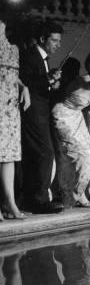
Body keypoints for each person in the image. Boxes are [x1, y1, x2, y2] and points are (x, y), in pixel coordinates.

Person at [51, 50, 90, 207]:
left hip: (77, 119)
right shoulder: (81, 80)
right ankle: (72, 193)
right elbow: (84, 86)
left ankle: (80, 193)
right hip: (63, 116)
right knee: (79, 155)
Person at [19, 20, 64, 214]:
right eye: (54, 40)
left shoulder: (42, 58)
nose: (58, 45)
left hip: (41, 112)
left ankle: (34, 199)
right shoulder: (30, 56)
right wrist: (48, 79)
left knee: (39, 155)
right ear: (42, 39)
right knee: (45, 153)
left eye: (59, 41)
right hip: (33, 114)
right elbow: (25, 82)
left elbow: (38, 86)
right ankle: (39, 200)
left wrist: (51, 85)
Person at [0, 19, 29, 221]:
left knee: (8, 156)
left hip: (9, 107)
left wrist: (24, 87)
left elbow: (10, 73)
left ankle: (9, 202)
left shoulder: (14, 49)